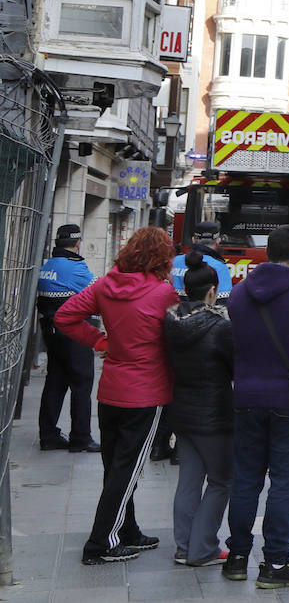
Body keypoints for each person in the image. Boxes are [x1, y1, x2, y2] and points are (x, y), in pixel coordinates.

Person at [54, 226, 179, 565]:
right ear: (162, 258)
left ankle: (128, 531)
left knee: (115, 468)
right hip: (146, 392)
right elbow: (176, 341)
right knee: (127, 470)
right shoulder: (164, 293)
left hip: (110, 390)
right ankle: (100, 544)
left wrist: (100, 341)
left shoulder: (105, 285)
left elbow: (64, 316)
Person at [223, 225, 289, 589]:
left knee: (245, 480)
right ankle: (275, 563)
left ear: (265, 252)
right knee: (284, 483)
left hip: (246, 397)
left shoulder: (238, 294)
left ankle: (236, 558)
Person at [163, 252, 234, 567]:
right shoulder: (220, 326)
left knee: (189, 480)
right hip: (214, 413)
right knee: (222, 481)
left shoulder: (172, 320)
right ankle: (203, 548)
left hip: (182, 410)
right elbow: (236, 367)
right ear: (211, 291)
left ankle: (183, 546)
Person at [35, 223, 99, 453]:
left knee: (55, 382)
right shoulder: (76, 267)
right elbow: (98, 293)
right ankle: (81, 438)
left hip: (50, 332)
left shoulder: (47, 266)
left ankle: (48, 435)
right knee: (82, 384)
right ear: (77, 243)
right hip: (73, 331)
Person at [170, 222, 233, 300]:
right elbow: (223, 301)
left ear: (193, 240)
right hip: (202, 311)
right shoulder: (219, 267)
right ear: (218, 241)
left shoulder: (174, 261)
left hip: (174, 311)